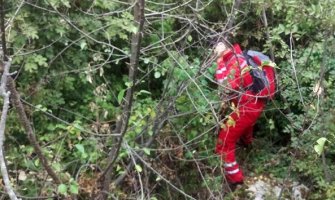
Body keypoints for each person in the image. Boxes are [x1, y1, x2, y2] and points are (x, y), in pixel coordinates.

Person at [213, 41, 269, 185]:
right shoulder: (238, 57)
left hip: (247, 107)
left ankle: (237, 182)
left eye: (217, 48)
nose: (214, 51)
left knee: (223, 144)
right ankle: (248, 147)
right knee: (245, 128)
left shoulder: (234, 62)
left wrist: (219, 63)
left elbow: (225, 89)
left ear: (224, 48)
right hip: (252, 104)